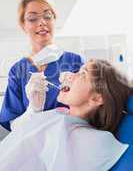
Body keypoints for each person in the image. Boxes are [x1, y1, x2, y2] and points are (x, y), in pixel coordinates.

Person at [0, 59, 132, 171]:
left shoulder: (91, 140)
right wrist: (34, 109)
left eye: (82, 74)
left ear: (96, 99)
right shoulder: (60, 114)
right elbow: (18, 137)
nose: (68, 75)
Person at [0, 0, 84, 131]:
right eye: (32, 18)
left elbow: (92, 109)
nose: (42, 22)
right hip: (33, 147)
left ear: (54, 20)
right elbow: (13, 125)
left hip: (70, 140)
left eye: (48, 16)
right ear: (23, 25)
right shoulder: (18, 70)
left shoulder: (75, 62)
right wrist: (32, 110)